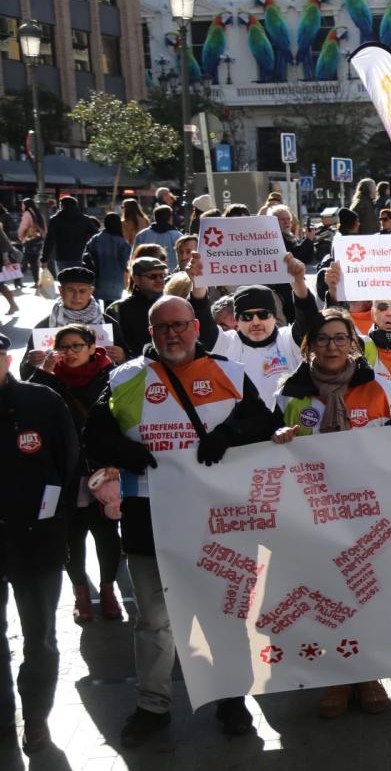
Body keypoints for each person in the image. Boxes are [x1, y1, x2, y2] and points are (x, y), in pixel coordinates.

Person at [83, 295, 279, 746]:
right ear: (150, 334)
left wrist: (228, 434)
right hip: (147, 518)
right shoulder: (125, 378)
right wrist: (126, 452)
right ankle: (153, 706)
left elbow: (263, 423)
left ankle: (232, 700)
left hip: (218, 518)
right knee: (154, 621)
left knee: (225, 614)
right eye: (161, 328)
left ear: (196, 326)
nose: (172, 334)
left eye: (179, 325)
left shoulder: (229, 372)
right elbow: (94, 435)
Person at [273, 308, 391, 717]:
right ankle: (336, 678)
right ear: (309, 345)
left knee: (369, 595)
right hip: (314, 515)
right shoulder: (289, 392)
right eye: (323, 339)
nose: (332, 346)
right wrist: (276, 438)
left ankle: (367, 673)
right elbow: (265, 455)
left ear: (352, 343)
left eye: (340, 338)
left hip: (368, 513)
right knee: (327, 596)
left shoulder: (376, 385)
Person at [0, 332, 78, 753]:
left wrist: (55, 522)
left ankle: (35, 718)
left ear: (6, 358)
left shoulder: (42, 401)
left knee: (40, 637)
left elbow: (69, 463)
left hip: (36, 540)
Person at [26, 325, 123, 625]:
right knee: (72, 535)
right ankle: (81, 592)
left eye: (77, 346)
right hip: (65, 474)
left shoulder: (114, 376)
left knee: (107, 533)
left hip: (103, 472)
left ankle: (108, 590)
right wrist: (42, 373)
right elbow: (27, 407)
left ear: (93, 347)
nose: (70, 353)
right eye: (64, 347)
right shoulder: (48, 381)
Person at [209, 257, 315, 408]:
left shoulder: (287, 339)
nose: (256, 322)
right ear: (237, 321)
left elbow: (307, 322)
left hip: (291, 426)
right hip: (245, 428)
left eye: (263, 314)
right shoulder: (228, 342)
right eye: (247, 316)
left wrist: (299, 284)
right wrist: (199, 289)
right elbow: (206, 334)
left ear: (274, 317)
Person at [21, 267, 128, 378]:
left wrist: (122, 358)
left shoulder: (108, 323)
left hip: (100, 386)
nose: (77, 296)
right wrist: (31, 363)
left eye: (82, 291)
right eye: (71, 290)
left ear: (91, 291)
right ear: (61, 291)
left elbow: (131, 368)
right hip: (58, 387)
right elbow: (24, 374)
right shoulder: (44, 326)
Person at [107, 256, 216, 358]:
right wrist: (124, 356)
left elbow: (200, 310)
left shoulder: (171, 303)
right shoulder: (120, 309)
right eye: (153, 276)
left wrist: (199, 281)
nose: (159, 280)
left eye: (162, 276)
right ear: (136, 279)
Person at [82, 213, 132, 304]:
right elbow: (125, 261)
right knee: (112, 307)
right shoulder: (121, 242)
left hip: (97, 278)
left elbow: (86, 255)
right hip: (115, 279)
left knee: (95, 305)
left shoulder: (96, 238)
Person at [40, 196, 94, 273]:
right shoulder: (85, 219)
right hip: (80, 255)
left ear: (61, 206)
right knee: (78, 281)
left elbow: (49, 240)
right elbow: (95, 236)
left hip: (61, 256)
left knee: (64, 280)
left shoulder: (55, 220)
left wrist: (44, 259)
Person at [134, 205, 183, 270]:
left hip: (146, 273)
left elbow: (135, 256)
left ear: (155, 217)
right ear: (170, 218)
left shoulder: (142, 235)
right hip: (171, 274)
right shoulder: (178, 236)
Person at [19, 197, 47, 280]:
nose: (22, 207)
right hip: (38, 240)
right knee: (34, 262)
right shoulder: (38, 213)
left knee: (26, 261)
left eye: (22, 205)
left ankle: (18, 280)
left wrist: (21, 237)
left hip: (29, 241)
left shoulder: (27, 213)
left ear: (26, 205)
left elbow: (23, 227)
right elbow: (44, 227)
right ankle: (36, 281)